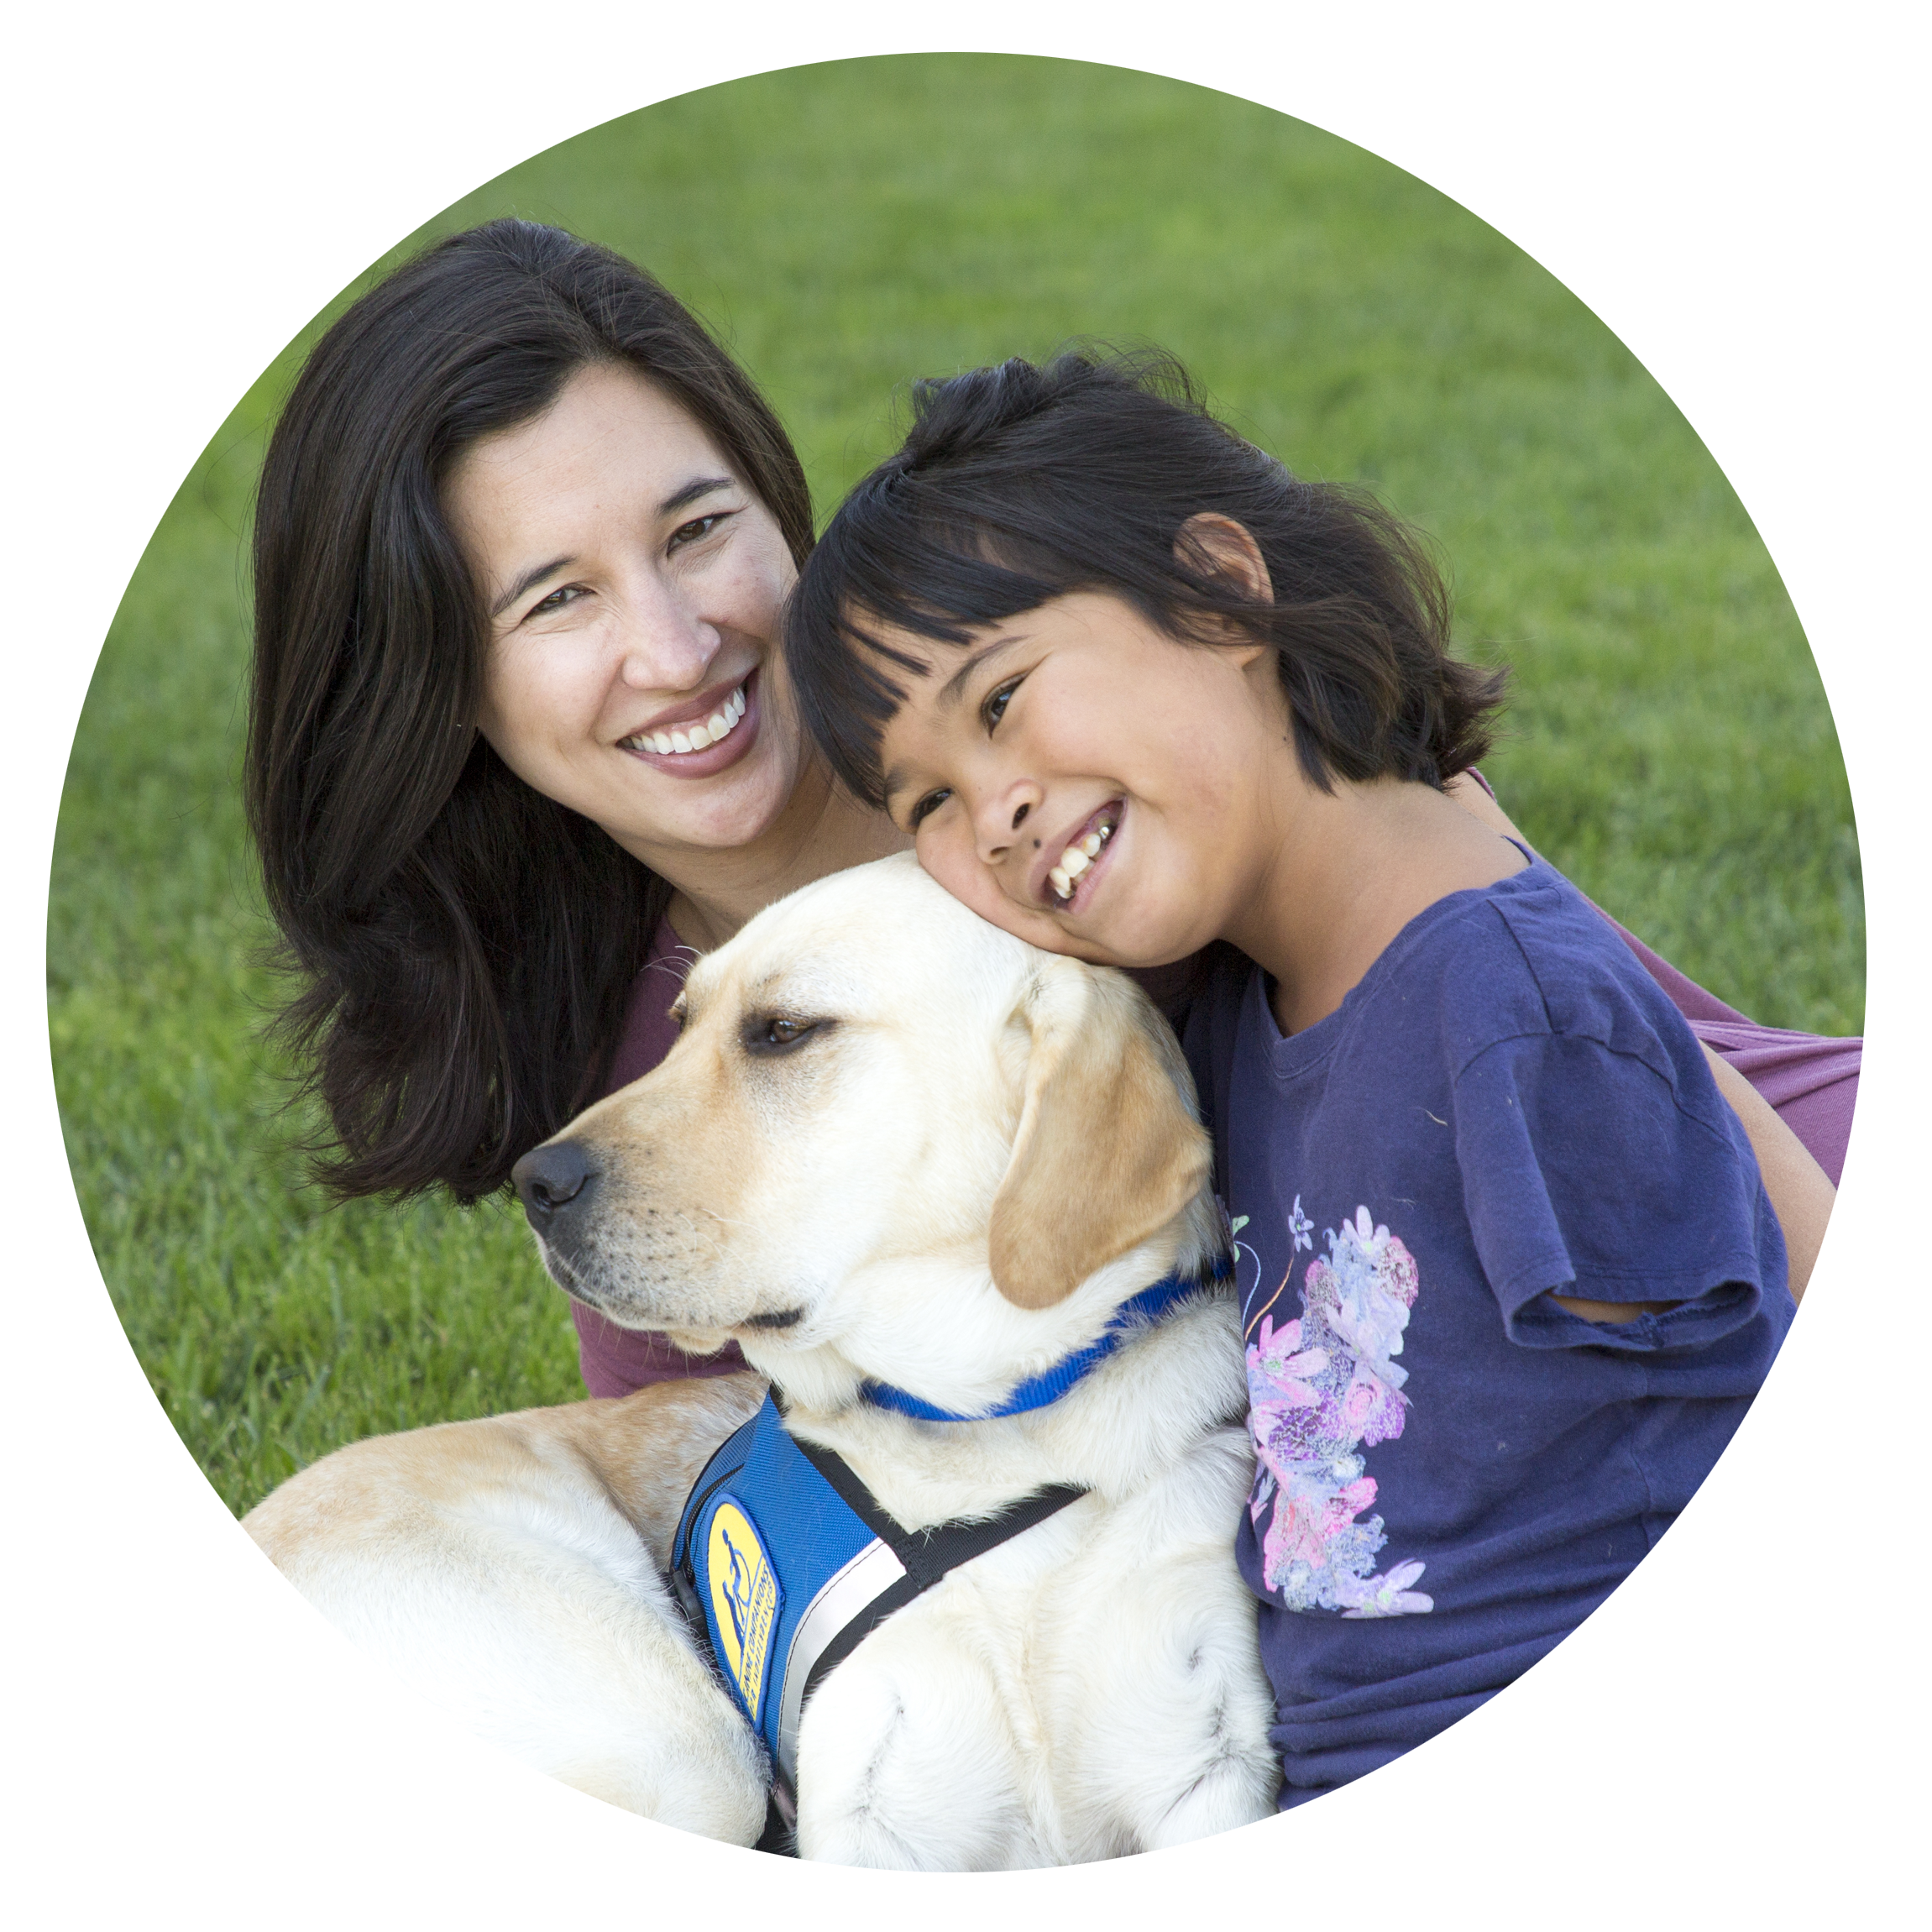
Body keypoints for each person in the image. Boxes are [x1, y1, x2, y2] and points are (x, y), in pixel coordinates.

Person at [248, 217, 1864, 1488]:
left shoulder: (1097, 758)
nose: (678, 647)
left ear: (777, 504)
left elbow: (1652, 1086)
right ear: (440, 688)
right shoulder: (643, 1075)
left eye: (696, 531)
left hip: (1798, 1290)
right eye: (557, 600)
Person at [777, 348, 1866, 1871]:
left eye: (1005, 699)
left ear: (1222, 598)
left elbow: (1730, 1466)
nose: (997, 809)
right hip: (1387, 1805)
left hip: (1625, 1788)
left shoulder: (1507, 1006)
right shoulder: (1235, 1006)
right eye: (930, 804)